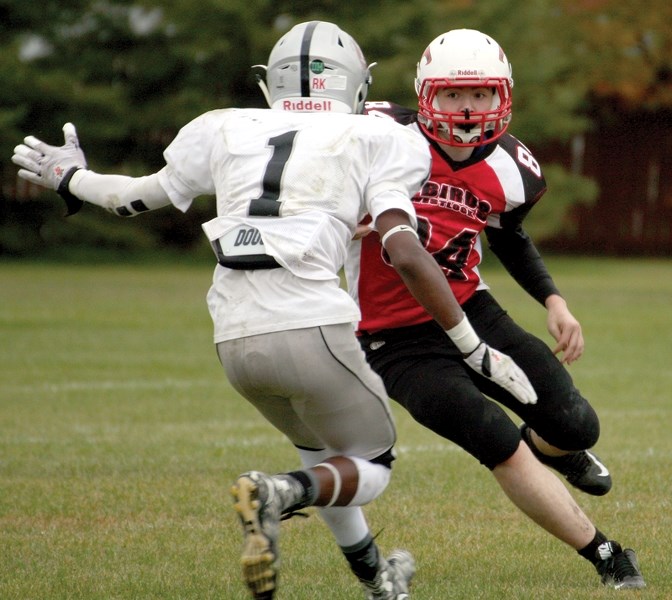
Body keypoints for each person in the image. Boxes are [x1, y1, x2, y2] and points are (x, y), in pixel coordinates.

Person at [11, 21, 538, 600]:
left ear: (270, 82)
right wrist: (472, 346)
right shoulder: (381, 137)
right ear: (361, 86)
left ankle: (377, 579)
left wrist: (69, 175)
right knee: (371, 466)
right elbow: (405, 251)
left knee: (322, 454)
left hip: (233, 339)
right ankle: (275, 491)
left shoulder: (223, 126)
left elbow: (130, 198)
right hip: (311, 322)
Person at [345, 29, 646, 589]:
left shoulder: (512, 166)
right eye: (453, 94)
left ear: (501, 96)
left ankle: (554, 450)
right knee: (493, 438)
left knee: (577, 424)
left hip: (473, 309)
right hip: (396, 337)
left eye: (479, 94)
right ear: (424, 94)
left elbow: (509, 234)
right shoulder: (379, 135)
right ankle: (606, 555)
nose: (466, 108)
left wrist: (554, 300)